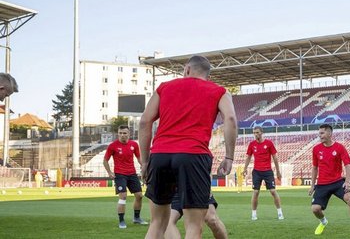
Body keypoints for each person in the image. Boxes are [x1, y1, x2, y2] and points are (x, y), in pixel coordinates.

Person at [139, 55, 238, 239]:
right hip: (193, 155)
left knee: (157, 224)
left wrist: (145, 162)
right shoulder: (219, 91)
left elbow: (145, 122)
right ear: (208, 76)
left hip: (160, 154)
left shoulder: (165, 87)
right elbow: (230, 119)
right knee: (193, 226)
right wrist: (229, 157)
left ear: (186, 70)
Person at [309, 124, 350, 239]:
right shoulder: (316, 149)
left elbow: (347, 165)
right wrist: (312, 185)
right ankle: (323, 222)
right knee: (315, 209)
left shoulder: (339, 147)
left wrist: (347, 182)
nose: (319, 135)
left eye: (322, 133)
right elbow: (315, 168)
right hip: (322, 184)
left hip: (337, 182)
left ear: (329, 133)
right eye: (319, 133)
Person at [103, 125, 147, 228]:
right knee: (123, 196)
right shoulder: (112, 146)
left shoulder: (134, 145)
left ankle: (136, 218)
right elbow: (105, 160)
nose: (122, 135)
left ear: (129, 134)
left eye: (124, 133)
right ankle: (121, 221)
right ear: (118, 133)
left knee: (139, 196)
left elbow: (139, 157)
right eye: (120, 133)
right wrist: (109, 172)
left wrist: (144, 167)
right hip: (120, 174)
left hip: (132, 173)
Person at [242, 126, 284, 220]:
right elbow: (248, 157)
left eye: (257, 132)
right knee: (256, 192)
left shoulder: (269, 143)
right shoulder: (252, 144)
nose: (255, 134)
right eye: (254, 133)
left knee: (273, 191)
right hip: (256, 171)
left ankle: (280, 212)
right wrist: (245, 169)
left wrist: (278, 172)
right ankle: (253, 214)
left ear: (261, 132)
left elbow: (275, 158)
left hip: (268, 171)